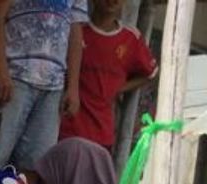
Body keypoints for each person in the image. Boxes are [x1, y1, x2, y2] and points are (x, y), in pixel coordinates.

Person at [0, 0, 88, 173]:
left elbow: (76, 34)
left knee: (34, 167)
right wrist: (2, 71)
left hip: (54, 87)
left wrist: (72, 87)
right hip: (15, 78)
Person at [58, 0, 157, 150]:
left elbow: (150, 73)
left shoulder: (131, 38)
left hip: (102, 134)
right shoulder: (76, 31)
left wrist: (119, 88)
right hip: (67, 129)